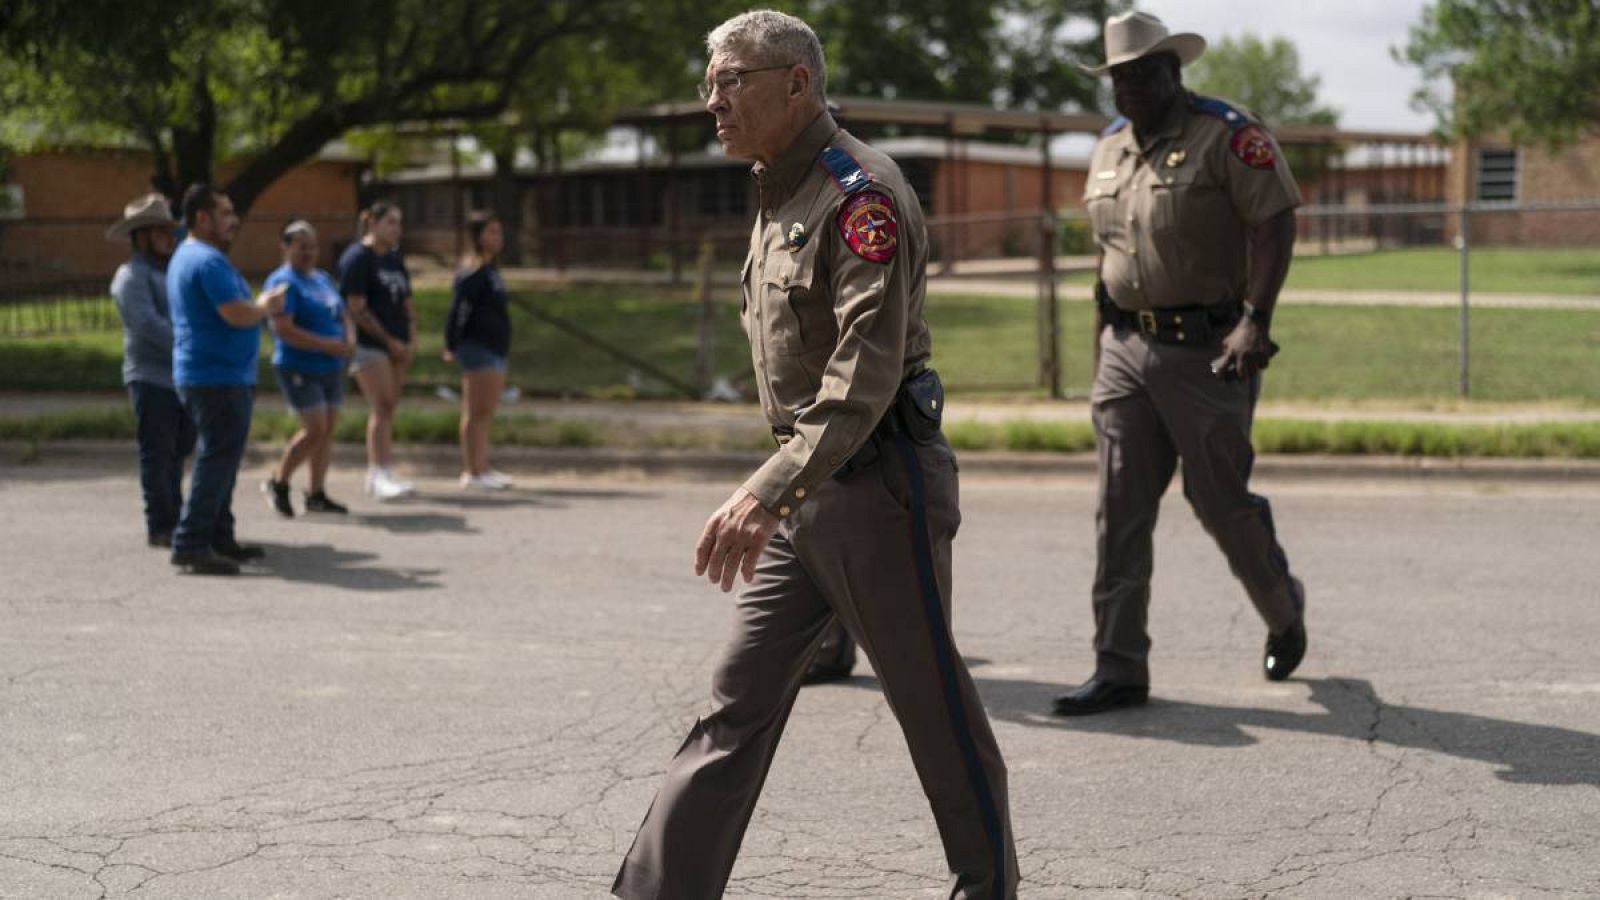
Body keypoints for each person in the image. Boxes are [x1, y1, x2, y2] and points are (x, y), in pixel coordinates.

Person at [613, 12, 1016, 899]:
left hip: (879, 486)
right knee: (736, 701)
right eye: (707, 82)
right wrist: (783, 491)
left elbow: (862, 374)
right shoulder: (776, 189)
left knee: (930, 708)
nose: (711, 101)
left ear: (797, 83)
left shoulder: (859, 194)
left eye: (729, 81)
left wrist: (765, 491)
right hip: (808, 493)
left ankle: (987, 889)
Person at [1052, 11, 1308, 717]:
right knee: (1119, 511)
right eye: (1118, 77)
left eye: (1143, 73)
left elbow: (1275, 218)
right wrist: (1105, 323)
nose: (1130, 87)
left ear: (1175, 71)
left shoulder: (1227, 134)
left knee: (1219, 503)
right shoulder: (1107, 148)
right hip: (1126, 351)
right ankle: (1119, 667)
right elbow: (1113, 247)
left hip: (1210, 351)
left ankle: (1283, 610)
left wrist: (1256, 320)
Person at [167, 183, 286, 575]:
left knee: (222, 460)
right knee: (217, 460)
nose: (234, 220)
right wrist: (265, 306)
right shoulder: (207, 261)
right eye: (225, 213)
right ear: (202, 218)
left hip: (213, 374)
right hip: (216, 376)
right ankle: (192, 543)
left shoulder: (191, 256)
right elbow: (235, 313)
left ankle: (219, 536)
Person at [108, 193, 195, 548]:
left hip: (181, 377)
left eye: (168, 229)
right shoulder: (130, 276)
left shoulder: (173, 271)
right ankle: (160, 524)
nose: (167, 236)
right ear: (141, 235)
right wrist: (190, 343)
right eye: (159, 230)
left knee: (179, 449)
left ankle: (176, 514)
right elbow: (147, 324)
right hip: (150, 376)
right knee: (157, 453)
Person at [262, 220, 354, 517]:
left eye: (313, 247)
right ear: (285, 248)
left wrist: (348, 337)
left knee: (327, 432)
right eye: (301, 247)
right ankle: (279, 482)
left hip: (331, 366)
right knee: (314, 430)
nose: (308, 253)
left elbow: (342, 314)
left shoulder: (322, 279)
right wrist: (326, 345)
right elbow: (283, 329)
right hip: (299, 365)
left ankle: (316, 493)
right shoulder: (282, 282)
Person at [337, 201, 416, 501]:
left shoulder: (394, 259)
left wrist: (410, 338)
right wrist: (389, 342)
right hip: (371, 346)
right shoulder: (358, 258)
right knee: (381, 405)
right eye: (391, 222)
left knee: (389, 407)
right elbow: (356, 309)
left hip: (397, 345)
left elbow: (407, 301)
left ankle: (386, 468)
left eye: (399, 223)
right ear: (372, 223)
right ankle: (376, 472)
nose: (397, 229)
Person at [443, 211, 513, 491]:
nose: (498, 238)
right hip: (478, 347)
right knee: (475, 411)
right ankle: (472, 471)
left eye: (499, 231)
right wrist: (452, 343)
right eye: (491, 232)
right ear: (477, 236)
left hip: (495, 347)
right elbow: (459, 310)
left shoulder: (492, 270)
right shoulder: (472, 271)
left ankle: (483, 467)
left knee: (486, 412)